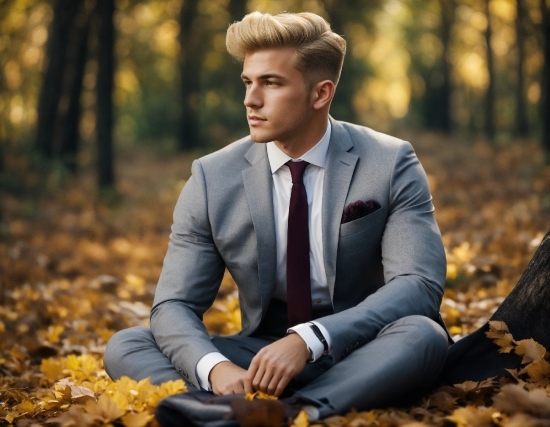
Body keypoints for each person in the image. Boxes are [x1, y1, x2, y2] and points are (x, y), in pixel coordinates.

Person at [104, 11, 450, 425]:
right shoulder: (212, 177)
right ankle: (227, 403)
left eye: (271, 83)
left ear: (320, 94)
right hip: (260, 353)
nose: (251, 99)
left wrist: (312, 339)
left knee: (422, 335)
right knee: (128, 344)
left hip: (362, 347)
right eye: (248, 82)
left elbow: (418, 285)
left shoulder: (390, 162)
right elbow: (174, 305)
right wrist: (215, 367)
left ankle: (278, 414)